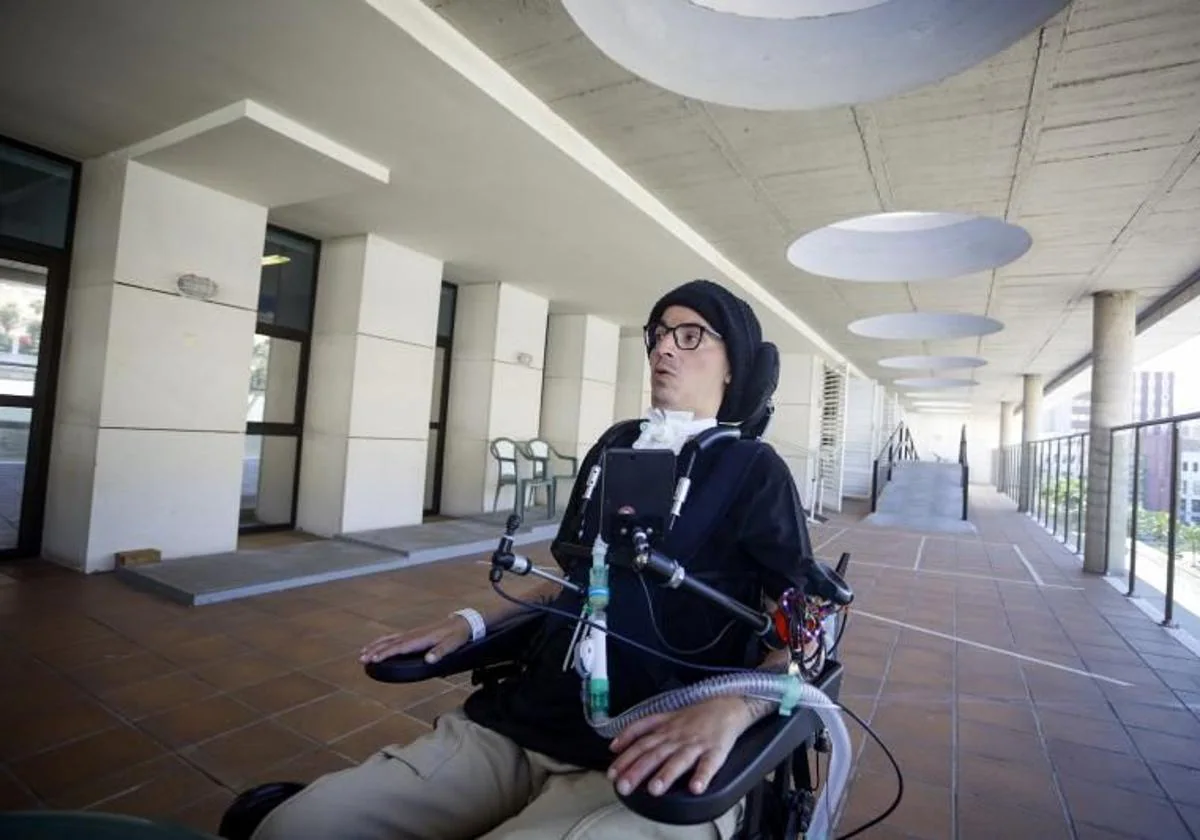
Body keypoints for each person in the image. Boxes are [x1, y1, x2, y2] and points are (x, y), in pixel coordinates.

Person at [253, 279, 815, 840]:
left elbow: (807, 634)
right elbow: (574, 582)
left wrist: (734, 710)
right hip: (527, 725)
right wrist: (473, 621)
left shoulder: (752, 470)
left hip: (654, 753)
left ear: (733, 367)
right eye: (659, 335)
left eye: (690, 336)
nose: (663, 349)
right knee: (298, 825)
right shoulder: (616, 447)